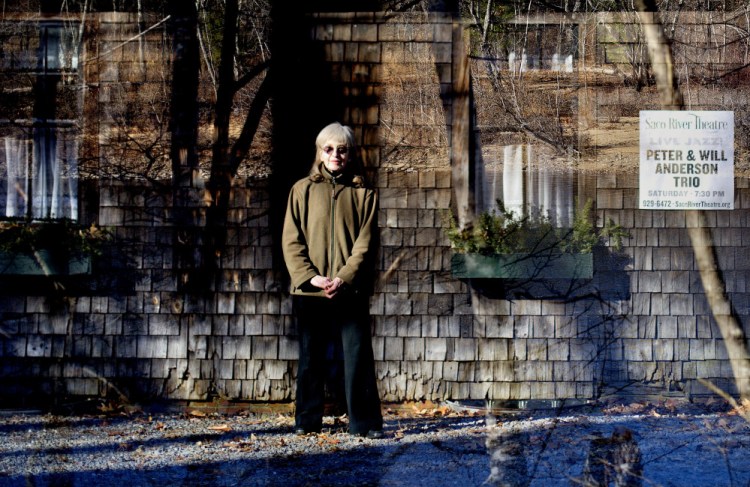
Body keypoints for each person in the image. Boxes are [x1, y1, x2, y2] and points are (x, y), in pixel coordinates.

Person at [281, 122, 383, 439]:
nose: (335, 155)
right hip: (311, 291)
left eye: (342, 149)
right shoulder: (302, 190)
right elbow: (291, 240)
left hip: (349, 290)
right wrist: (310, 278)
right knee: (311, 359)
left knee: (357, 358)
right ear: (319, 152)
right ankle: (306, 420)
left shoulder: (364, 194)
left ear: (350, 154)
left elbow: (365, 244)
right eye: (329, 148)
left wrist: (343, 277)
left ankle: (364, 423)